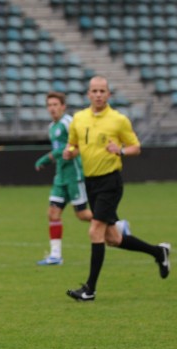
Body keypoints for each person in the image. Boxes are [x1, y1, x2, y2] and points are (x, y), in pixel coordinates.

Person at [62, 76, 170, 301]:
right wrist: (70, 151)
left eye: (103, 91)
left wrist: (119, 150)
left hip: (110, 182)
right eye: (95, 91)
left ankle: (89, 289)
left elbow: (135, 147)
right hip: (90, 182)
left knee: (95, 231)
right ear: (88, 94)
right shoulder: (79, 119)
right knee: (113, 238)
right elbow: (73, 144)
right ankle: (158, 252)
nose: (99, 94)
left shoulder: (118, 120)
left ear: (109, 95)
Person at [34, 91, 131, 265]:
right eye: (49, 105)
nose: (52, 108)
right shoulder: (52, 127)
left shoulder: (69, 122)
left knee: (82, 214)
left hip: (75, 175)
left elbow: (72, 146)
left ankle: (117, 225)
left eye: (56, 105)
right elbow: (60, 150)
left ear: (63, 106)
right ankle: (56, 255)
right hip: (61, 176)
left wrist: (47, 158)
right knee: (53, 213)